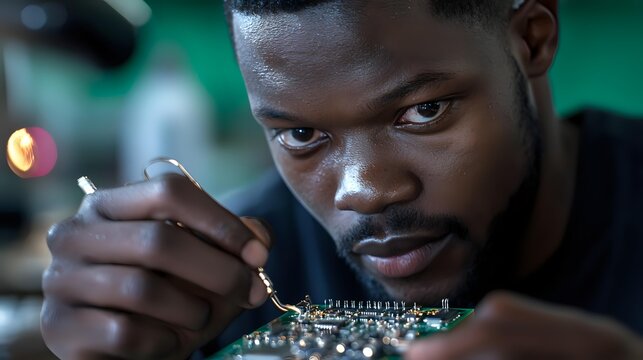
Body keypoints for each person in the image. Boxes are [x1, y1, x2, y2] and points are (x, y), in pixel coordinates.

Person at [41, 0, 643, 359]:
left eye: (423, 111)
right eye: (301, 136)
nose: (363, 191)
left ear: (532, 39)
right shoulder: (219, 294)